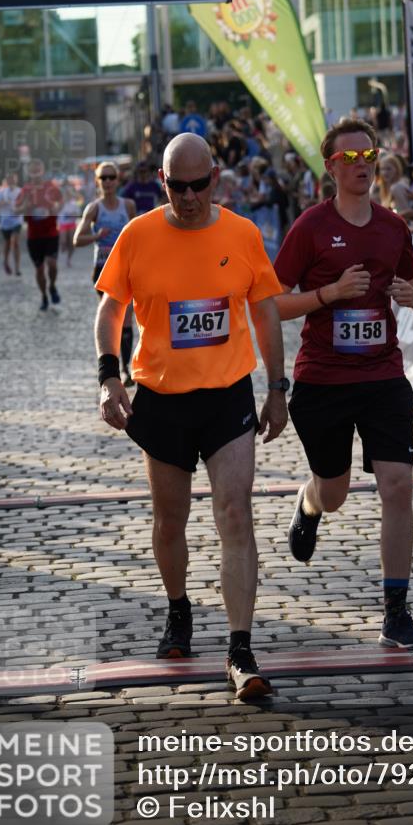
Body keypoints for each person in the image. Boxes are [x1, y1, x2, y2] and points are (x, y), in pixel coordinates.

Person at [95, 133, 288, 700]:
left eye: (198, 185)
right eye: (176, 186)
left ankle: (240, 647)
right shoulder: (138, 235)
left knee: (235, 512)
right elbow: (110, 309)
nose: (188, 196)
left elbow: (266, 312)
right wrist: (109, 377)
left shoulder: (242, 234)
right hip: (162, 398)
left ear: (216, 179)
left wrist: (276, 389)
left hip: (227, 396)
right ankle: (179, 609)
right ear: (163, 183)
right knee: (169, 520)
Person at [273, 118, 413, 648]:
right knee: (335, 493)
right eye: (349, 158)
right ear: (331, 167)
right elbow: (271, 304)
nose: (362, 164)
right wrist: (330, 293)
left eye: (369, 155)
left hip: (383, 374)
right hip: (322, 380)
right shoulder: (311, 228)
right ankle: (309, 502)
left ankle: (395, 611)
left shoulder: (393, 227)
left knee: (398, 486)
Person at [74, 162, 137, 385]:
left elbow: (136, 235)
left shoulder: (128, 205)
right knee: (113, 316)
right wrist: (97, 236)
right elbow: (77, 239)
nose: (108, 182)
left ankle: (126, 368)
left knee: (127, 316)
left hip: (125, 268)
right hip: (102, 270)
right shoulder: (94, 208)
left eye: (111, 178)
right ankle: (115, 364)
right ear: (97, 182)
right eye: (104, 178)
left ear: (118, 180)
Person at [15, 159, 63, 311]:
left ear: (43, 171)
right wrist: (25, 206)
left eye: (38, 169)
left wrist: (56, 208)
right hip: (34, 236)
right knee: (40, 269)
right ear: (30, 172)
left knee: (52, 264)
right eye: (33, 170)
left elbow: (61, 201)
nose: (36, 173)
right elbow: (16, 210)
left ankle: (53, 286)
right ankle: (44, 295)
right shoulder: (26, 190)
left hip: (50, 233)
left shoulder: (50, 187)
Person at [0, 172, 22, 275]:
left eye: (13, 179)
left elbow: (25, 205)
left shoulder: (20, 191)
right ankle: (5, 262)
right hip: (5, 222)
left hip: (16, 221)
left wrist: (19, 208)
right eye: (9, 179)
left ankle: (17, 268)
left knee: (15, 242)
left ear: (16, 180)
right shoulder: (1, 192)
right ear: (7, 181)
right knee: (8, 244)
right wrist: (3, 203)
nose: (11, 181)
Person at [58, 180, 81, 267]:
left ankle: (69, 259)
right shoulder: (61, 202)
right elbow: (57, 211)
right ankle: (63, 251)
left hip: (71, 223)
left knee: (72, 243)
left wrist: (74, 214)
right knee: (63, 242)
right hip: (63, 224)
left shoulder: (74, 202)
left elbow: (78, 212)